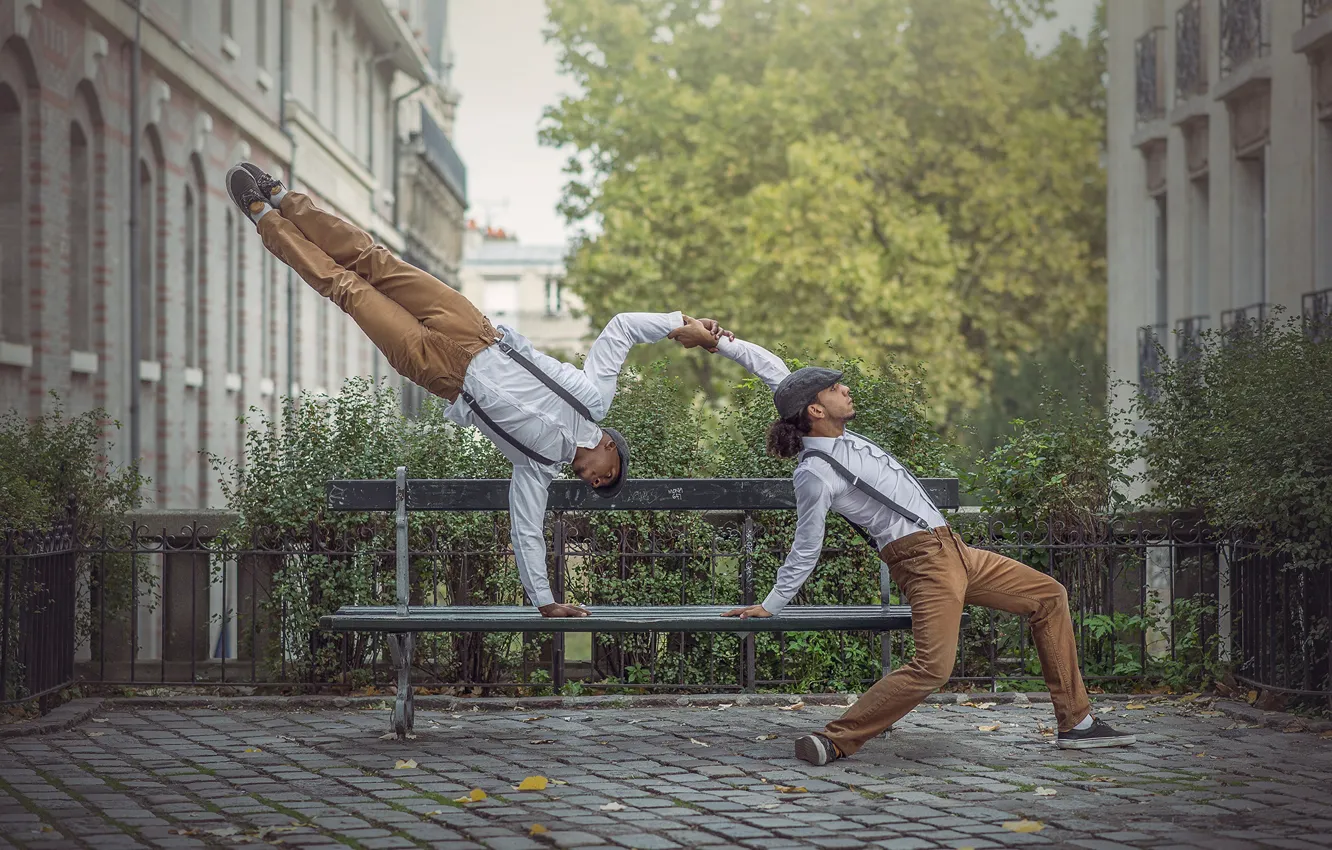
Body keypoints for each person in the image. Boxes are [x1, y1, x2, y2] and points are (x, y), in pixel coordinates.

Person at [225, 163, 726, 618]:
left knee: (348, 290)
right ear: (611, 446)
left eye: (599, 489)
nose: (595, 483)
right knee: (372, 260)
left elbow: (526, 532)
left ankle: (264, 219)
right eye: (607, 478)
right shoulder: (594, 399)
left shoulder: (537, 468)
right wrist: (681, 325)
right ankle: (287, 199)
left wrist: (547, 602)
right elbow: (619, 329)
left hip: (440, 373)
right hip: (474, 331)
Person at [707, 333, 1136, 763]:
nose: (846, 389)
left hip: (956, 550)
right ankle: (834, 739)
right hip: (923, 561)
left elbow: (774, 370)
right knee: (934, 666)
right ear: (815, 410)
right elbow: (807, 542)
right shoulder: (815, 473)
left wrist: (717, 340)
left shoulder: (827, 426)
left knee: (1048, 596)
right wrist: (772, 603)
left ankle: (1077, 724)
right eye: (836, 388)